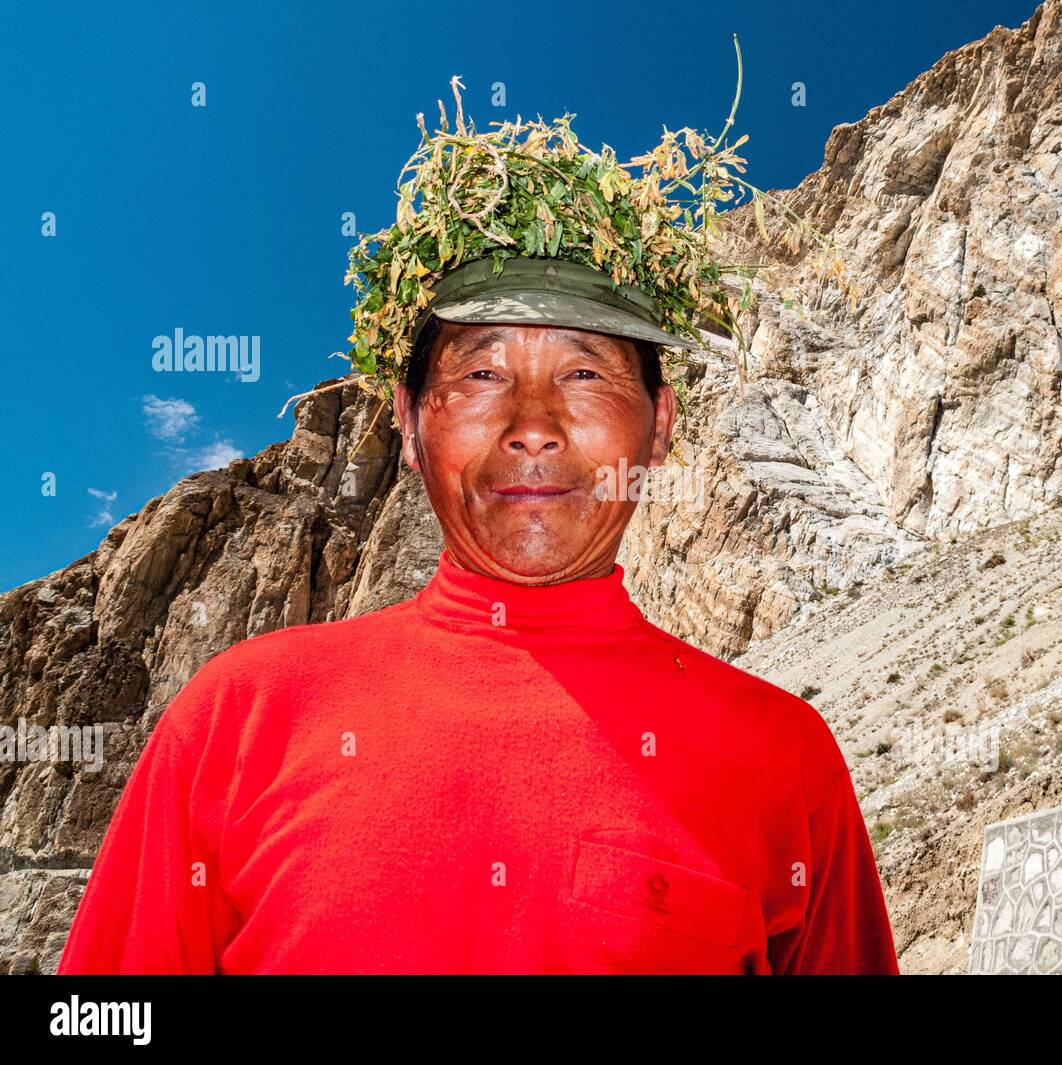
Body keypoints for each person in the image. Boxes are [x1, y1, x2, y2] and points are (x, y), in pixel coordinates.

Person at [57, 91, 899, 975]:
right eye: (483, 371)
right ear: (412, 423)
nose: (532, 423)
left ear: (659, 426)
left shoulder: (786, 761)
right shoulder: (235, 722)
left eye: (583, 370)